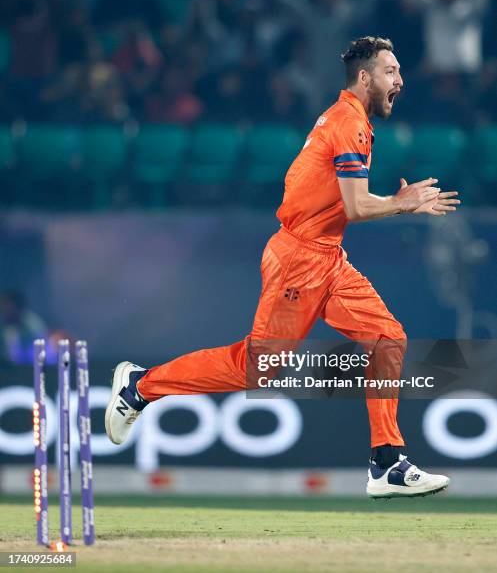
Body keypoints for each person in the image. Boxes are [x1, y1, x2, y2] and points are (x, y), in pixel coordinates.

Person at [105, 37, 460, 498]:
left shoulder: (349, 120)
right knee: (258, 370)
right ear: (365, 77)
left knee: (388, 337)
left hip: (327, 257)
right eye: (391, 71)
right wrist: (401, 203)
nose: (401, 80)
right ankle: (141, 386)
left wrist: (396, 204)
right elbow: (355, 206)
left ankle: (386, 461)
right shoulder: (348, 123)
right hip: (299, 260)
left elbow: (324, 195)